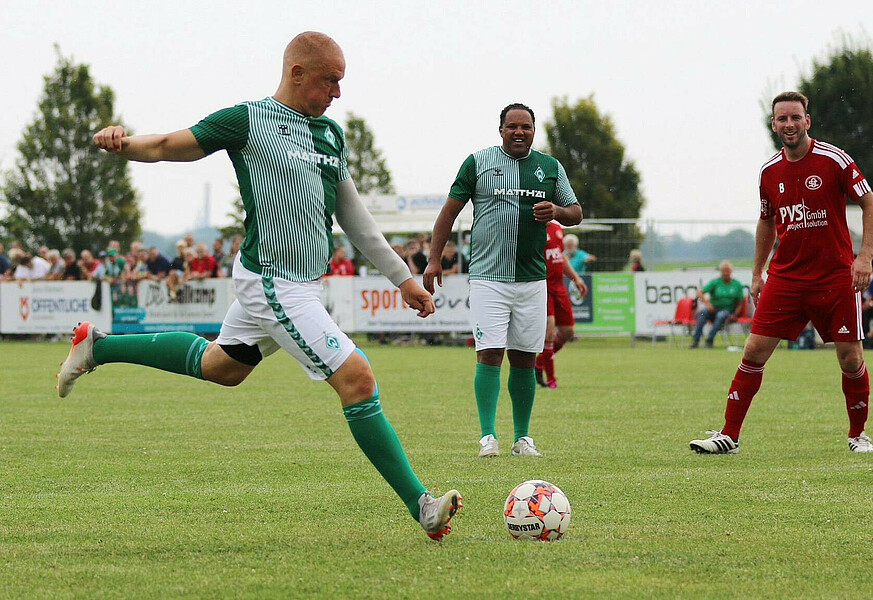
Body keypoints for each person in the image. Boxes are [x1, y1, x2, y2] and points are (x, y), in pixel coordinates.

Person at [59, 31, 460, 540]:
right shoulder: (247, 119)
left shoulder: (331, 135)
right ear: (297, 73)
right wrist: (123, 143)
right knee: (357, 378)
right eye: (330, 81)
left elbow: (355, 220)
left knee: (222, 367)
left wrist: (403, 279)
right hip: (272, 280)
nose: (338, 93)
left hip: (302, 286)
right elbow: (164, 145)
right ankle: (421, 505)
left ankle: (98, 347)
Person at [690, 91, 873, 455]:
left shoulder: (835, 159)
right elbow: (766, 221)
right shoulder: (769, 171)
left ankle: (859, 435)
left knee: (850, 358)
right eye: (782, 119)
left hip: (834, 278)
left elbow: (870, 204)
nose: (789, 124)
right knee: (753, 350)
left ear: (807, 121)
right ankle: (729, 435)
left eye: (796, 117)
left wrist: (865, 257)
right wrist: (757, 272)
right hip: (786, 278)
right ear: (774, 124)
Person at [423, 102, 583, 458]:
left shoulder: (550, 167)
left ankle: (523, 438)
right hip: (488, 279)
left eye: (526, 126)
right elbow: (448, 213)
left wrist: (556, 210)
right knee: (490, 353)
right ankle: (488, 436)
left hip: (532, 281)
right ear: (501, 131)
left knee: (525, 358)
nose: (519, 132)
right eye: (512, 126)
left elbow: (576, 213)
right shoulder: (478, 162)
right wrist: (434, 259)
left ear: (533, 131)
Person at [534, 221, 588, 389]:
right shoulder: (533, 227)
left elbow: (561, 255)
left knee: (568, 331)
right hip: (543, 286)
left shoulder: (557, 228)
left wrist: (576, 278)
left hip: (559, 286)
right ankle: (551, 379)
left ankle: (539, 362)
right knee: (549, 331)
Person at [690, 260, 744, 349]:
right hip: (713, 308)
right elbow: (700, 292)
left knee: (720, 316)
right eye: (723, 271)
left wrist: (735, 314)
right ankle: (695, 340)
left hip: (727, 310)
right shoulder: (715, 282)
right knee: (702, 313)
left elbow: (740, 303)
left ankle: (709, 340)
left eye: (727, 270)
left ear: (731, 271)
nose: (725, 273)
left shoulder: (737, 284)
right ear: (721, 271)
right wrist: (707, 304)